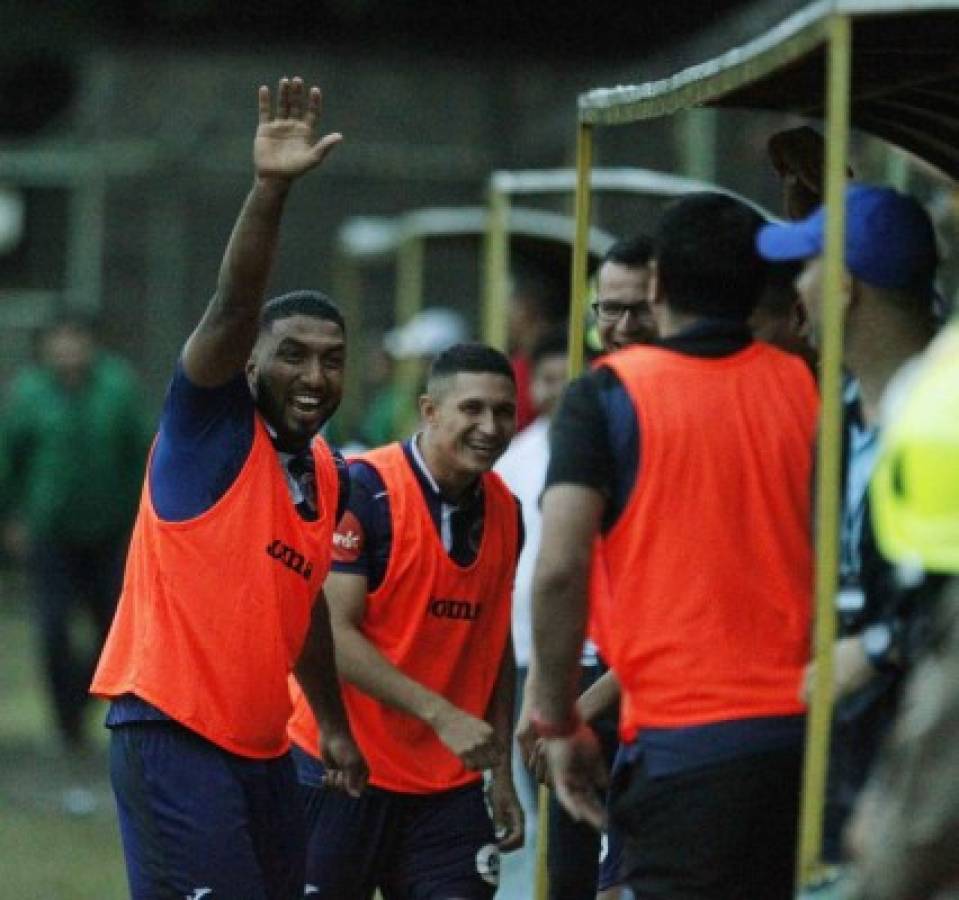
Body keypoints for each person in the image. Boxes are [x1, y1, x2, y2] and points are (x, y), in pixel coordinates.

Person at [89, 76, 367, 899]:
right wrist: (269, 191)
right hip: (171, 734)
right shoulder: (210, 428)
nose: (313, 375)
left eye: (331, 359)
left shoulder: (326, 472)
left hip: (264, 750)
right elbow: (234, 303)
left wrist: (335, 726)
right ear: (248, 364)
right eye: (292, 355)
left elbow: (303, 609)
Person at [530, 192, 819, 899]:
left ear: (656, 285)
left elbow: (560, 569)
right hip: (803, 736)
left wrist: (556, 719)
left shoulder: (606, 396)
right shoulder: (806, 386)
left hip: (681, 736)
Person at [287, 342, 525, 899]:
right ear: (429, 411)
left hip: (447, 789)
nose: (490, 427)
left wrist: (501, 772)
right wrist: (441, 714)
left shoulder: (507, 510)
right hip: (341, 767)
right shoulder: (364, 489)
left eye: (504, 412)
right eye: (472, 409)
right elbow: (332, 634)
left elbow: (494, 642)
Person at [758, 183, 940, 863]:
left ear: (841, 286)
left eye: (805, 267)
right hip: (847, 751)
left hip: (928, 748)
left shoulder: (944, 413)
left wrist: (880, 646)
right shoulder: (832, 416)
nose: (795, 290)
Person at [0, 313, 151, 752]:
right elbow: (10, 459)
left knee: (111, 627)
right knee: (53, 627)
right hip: (49, 533)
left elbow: (142, 452)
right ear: (47, 347)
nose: (68, 350)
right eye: (60, 341)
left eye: (76, 340)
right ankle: (65, 724)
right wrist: (11, 517)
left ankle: (81, 703)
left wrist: (144, 519)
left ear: (91, 344)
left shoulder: (117, 387)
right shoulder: (29, 393)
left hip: (110, 532)